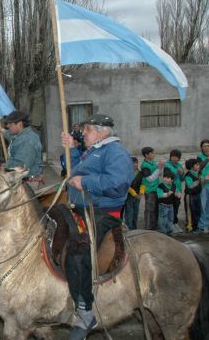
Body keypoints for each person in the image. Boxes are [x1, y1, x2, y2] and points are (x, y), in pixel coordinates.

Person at [61, 114, 133, 339]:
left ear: (102, 131)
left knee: (78, 252)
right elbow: (74, 171)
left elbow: (118, 184)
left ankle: (86, 311)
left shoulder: (116, 152)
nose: (83, 134)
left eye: (87, 130)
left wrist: (85, 182)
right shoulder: (95, 150)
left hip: (103, 211)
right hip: (82, 207)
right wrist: (71, 149)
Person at [0, 109, 42, 179]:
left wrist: (6, 167)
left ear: (20, 124)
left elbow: (19, 166)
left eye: (11, 124)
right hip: (24, 177)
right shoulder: (22, 135)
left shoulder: (27, 141)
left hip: (26, 181)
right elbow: (13, 138)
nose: (8, 126)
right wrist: (3, 132)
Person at [140, 147, 165, 230]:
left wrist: (161, 168)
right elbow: (149, 179)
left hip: (156, 189)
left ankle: (154, 226)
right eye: (152, 153)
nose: (154, 154)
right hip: (149, 190)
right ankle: (148, 227)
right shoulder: (144, 165)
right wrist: (159, 168)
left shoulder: (153, 162)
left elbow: (159, 174)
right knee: (149, 209)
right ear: (146, 155)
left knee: (155, 209)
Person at [164, 149, 184, 232]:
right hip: (171, 190)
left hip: (178, 189)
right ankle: (170, 225)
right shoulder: (167, 165)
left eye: (176, 157)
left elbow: (182, 179)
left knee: (176, 207)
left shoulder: (180, 165)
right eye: (173, 156)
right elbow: (167, 177)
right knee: (171, 208)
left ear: (179, 158)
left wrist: (182, 173)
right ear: (170, 157)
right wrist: (177, 171)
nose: (174, 158)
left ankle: (175, 223)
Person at [122, 157, 144, 230]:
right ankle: (129, 227)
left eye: (136, 163)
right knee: (129, 212)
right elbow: (127, 186)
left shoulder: (141, 173)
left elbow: (143, 184)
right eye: (133, 163)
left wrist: (141, 193)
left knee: (136, 212)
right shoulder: (126, 174)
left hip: (138, 196)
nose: (135, 165)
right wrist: (135, 194)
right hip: (129, 196)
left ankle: (135, 228)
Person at [184, 158, 202, 232]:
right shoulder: (188, 175)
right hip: (190, 196)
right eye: (197, 165)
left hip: (197, 195)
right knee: (190, 211)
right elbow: (190, 186)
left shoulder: (198, 173)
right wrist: (198, 180)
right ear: (191, 167)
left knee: (197, 210)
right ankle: (190, 227)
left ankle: (196, 226)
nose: (198, 166)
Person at [157, 170, 176, 235]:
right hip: (163, 205)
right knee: (163, 219)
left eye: (168, 178)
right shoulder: (161, 185)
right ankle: (163, 231)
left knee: (170, 218)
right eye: (164, 177)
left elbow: (175, 192)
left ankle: (169, 231)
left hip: (171, 205)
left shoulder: (173, 185)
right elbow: (159, 195)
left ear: (172, 180)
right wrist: (167, 194)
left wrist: (177, 194)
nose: (165, 179)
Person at [197, 140, 209, 233]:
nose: (206, 148)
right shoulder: (200, 157)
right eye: (204, 146)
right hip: (204, 185)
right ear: (201, 148)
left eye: (208, 146)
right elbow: (198, 169)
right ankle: (202, 225)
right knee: (203, 205)